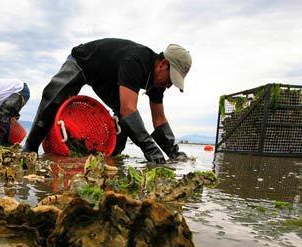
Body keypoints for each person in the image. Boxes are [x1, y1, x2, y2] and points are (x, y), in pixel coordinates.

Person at [22, 38, 191, 163]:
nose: (169, 85)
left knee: (123, 120)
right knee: (54, 97)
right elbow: (129, 109)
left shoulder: (157, 83)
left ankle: (109, 158)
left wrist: (173, 152)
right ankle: (30, 148)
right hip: (83, 62)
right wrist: (150, 148)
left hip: (108, 79)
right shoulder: (136, 61)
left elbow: (159, 119)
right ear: (162, 64)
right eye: (170, 79)